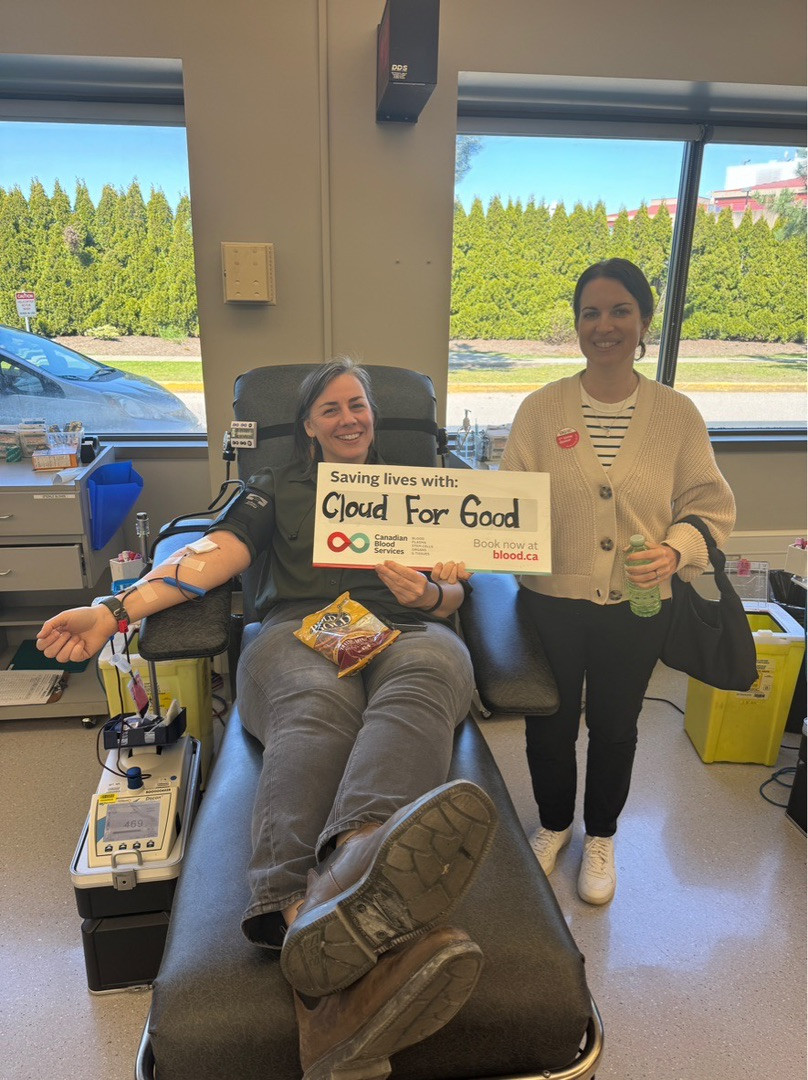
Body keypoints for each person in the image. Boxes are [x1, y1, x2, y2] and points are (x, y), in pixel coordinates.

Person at [36, 357, 497, 1080]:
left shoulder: (422, 492)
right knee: (319, 709)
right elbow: (211, 555)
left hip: (407, 630)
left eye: (360, 405)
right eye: (332, 410)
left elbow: (451, 600)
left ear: (376, 414)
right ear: (307, 428)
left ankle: (351, 871)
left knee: (432, 674)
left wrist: (435, 592)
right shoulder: (273, 489)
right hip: (301, 631)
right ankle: (299, 906)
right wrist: (111, 609)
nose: (350, 418)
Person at [500, 258, 735, 906]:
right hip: (550, 601)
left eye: (619, 311)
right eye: (591, 313)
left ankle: (600, 836)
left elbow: (711, 508)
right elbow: (506, 507)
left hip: (637, 605)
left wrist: (675, 550)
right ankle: (553, 824)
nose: (604, 325)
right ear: (577, 325)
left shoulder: (676, 414)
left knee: (615, 724)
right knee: (547, 724)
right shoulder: (540, 410)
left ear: (643, 322)